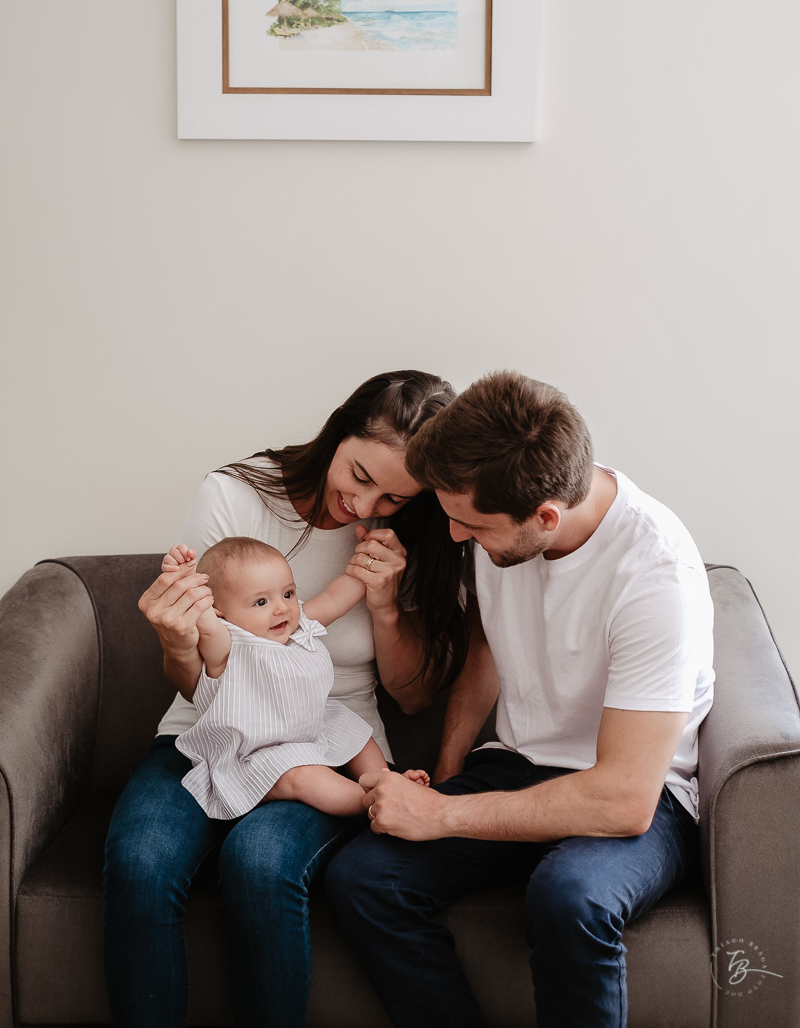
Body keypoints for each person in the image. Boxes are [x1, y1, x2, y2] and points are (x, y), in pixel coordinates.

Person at [325, 371, 715, 1028]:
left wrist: (443, 817)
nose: (453, 537)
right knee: (365, 876)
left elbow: (623, 800)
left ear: (544, 518)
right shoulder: (500, 514)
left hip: (640, 794)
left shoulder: (654, 575)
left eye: (470, 525)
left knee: (569, 896)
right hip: (516, 763)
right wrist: (446, 778)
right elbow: (488, 649)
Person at [103, 370, 467, 1028]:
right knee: (138, 861)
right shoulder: (233, 498)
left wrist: (384, 604)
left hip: (320, 742)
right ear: (337, 430)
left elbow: (413, 698)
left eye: (392, 495)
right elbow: (195, 678)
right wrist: (178, 643)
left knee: (260, 863)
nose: (363, 504)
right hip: (211, 727)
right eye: (359, 474)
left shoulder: (415, 535)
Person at [164, 538, 428, 819]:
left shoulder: (298, 627)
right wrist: (183, 579)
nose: (281, 608)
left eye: (288, 594)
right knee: (305, 778)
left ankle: (384, 780)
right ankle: (372, 803)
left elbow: (333, 599)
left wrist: (367, 567)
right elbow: (204, 623)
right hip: (257, 754)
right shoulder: (226, 646)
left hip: (311, 730)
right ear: (219, 612)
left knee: (356, 731)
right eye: (261, 601)